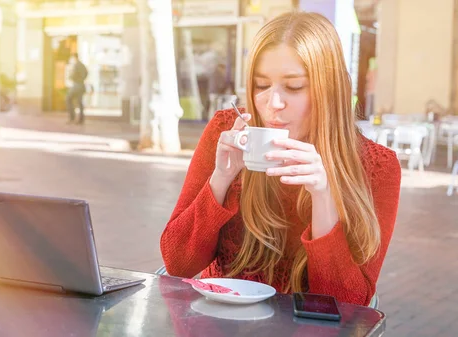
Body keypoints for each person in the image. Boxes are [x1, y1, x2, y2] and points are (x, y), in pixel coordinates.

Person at [159, 11, 401, 306]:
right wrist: (220, 179)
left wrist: (324, 197)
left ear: (330, 89)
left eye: (294, 87)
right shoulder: (227, 131)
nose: (273, 104)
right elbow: (178, 263)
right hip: (220, 323)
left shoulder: (378, 166)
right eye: (261, 85)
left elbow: (348, 305)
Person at [66, 53, 88, 124]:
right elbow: (86, 73)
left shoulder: (76, 65)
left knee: (68, 99)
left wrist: (71, 77)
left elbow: (72, 75)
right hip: (81, 85)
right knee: (79, 102)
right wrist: (82, 79)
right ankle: (81, 119)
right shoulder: (82, 65)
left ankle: (72, 117)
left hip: (77, 85)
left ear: (74, 58)